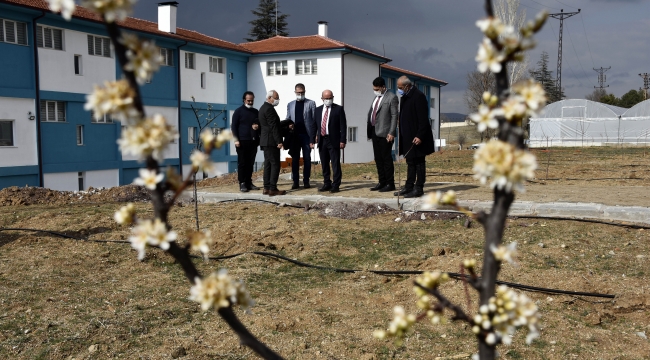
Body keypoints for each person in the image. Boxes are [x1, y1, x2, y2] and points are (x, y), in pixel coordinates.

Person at [395, 76, 435, 198]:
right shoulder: (404, 97)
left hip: (417, 138)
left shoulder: (418, 96)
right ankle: (409, 186)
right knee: (410, 162)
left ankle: (419, 188)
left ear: (407, 86)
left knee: (419, 163)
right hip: (407, 137)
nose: (398, 89)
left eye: (400, 87)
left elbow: (423, 119)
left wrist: (419, 135)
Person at [367, 77, 399, 193]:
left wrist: (391, 132)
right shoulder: (376, 98)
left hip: (385, 133)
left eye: (376, 89)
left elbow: (395, 116)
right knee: (378, 159)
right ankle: (382, 182)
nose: (375, 90)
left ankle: (390, 183)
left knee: (386, 159)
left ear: (383, 87)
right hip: (374, 132)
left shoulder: (392, 97)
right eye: (374, 89)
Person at [314, 90, 347, 193]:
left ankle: (336, 185)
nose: (328, 100)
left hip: (334, 140)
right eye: (326, 98)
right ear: (322, 99)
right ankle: (326, 183)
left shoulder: (338, 109)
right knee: (324, 163)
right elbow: (314, 125)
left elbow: (343, 126)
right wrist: (312, 138)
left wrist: (342, 140)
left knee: (335, 163)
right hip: (322, 139)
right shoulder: (318, 110)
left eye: (330, 98)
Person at [285, 83, 317, 189]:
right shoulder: (290, 104)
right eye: (298, 92)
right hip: (295, 136)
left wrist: (314, 135)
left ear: (305, 91)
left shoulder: (311, 103)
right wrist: (289, 125)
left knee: (307, 158)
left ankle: (306, 181)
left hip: (306, 135)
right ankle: (295, 181)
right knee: (295, 159)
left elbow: (314, 120)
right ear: (295, 92)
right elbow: (287, 119)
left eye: (302, 92)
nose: (300, 94)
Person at [231, 91, 261, 192]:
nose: (250, 102)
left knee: (250, 163)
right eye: (248, 100)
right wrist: (236, 140)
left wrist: (257, 126)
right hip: (242, 141)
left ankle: (249, 182)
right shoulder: (238, 111)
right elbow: (233, 127)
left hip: (253, 141)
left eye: (252, 100)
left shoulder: (256, 112)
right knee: (242, 163)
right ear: (244, 100)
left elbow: (260, 124)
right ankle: (242, 183)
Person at [258, 90, 286, 196]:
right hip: (271, 141)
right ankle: (272, 188)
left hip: (265, 140)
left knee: (268, 164)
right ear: (269, 98)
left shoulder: (262, 108)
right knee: (275, 164)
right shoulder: (269, 109)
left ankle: (266, 187)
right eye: (276, 97)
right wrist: (279, 141)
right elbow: (273, 126)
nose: (277, 100)